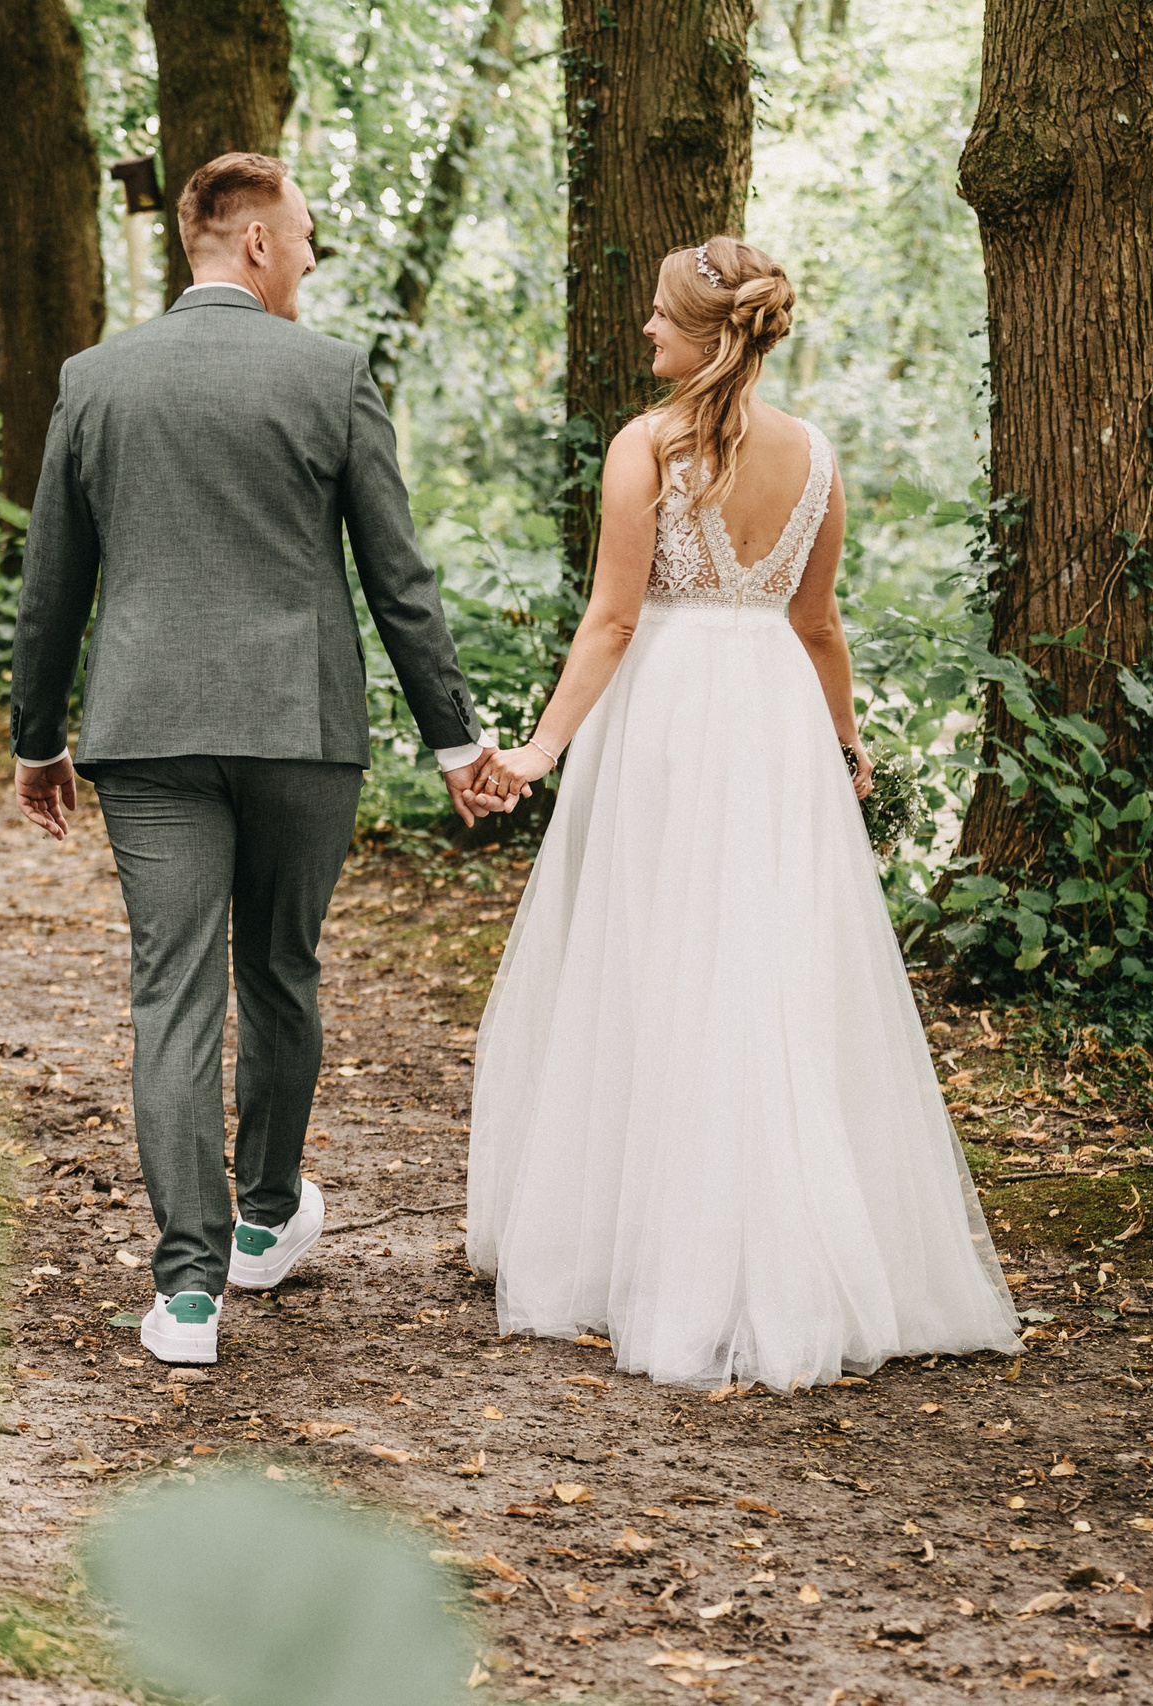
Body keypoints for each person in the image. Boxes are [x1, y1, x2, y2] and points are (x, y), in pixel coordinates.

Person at [464, 235, 1023, 1391]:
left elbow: (612, 619)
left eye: (660, 319)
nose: (645, 335)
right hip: (769, 719)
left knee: (658, 956)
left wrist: (539, 746)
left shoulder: (646, 445)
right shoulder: (815, 455)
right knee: (763, 967)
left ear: (708, 331)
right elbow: (817, 626)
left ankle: (648, 1248)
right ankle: (781, 1246)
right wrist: (843, 743)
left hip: (669, 714)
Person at [8, 152, 508, 1367]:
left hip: (149, 733)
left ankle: (186, 1297)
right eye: (303, 236)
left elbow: (50, 584)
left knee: (170, 988)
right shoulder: (332, 375)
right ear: (251, 244)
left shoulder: (95, 380)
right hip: (301, 730)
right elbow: (398, 579)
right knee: (280, 967)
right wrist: (454, 737)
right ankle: (264, 1216)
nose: (311, 257)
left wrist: (37, 739)